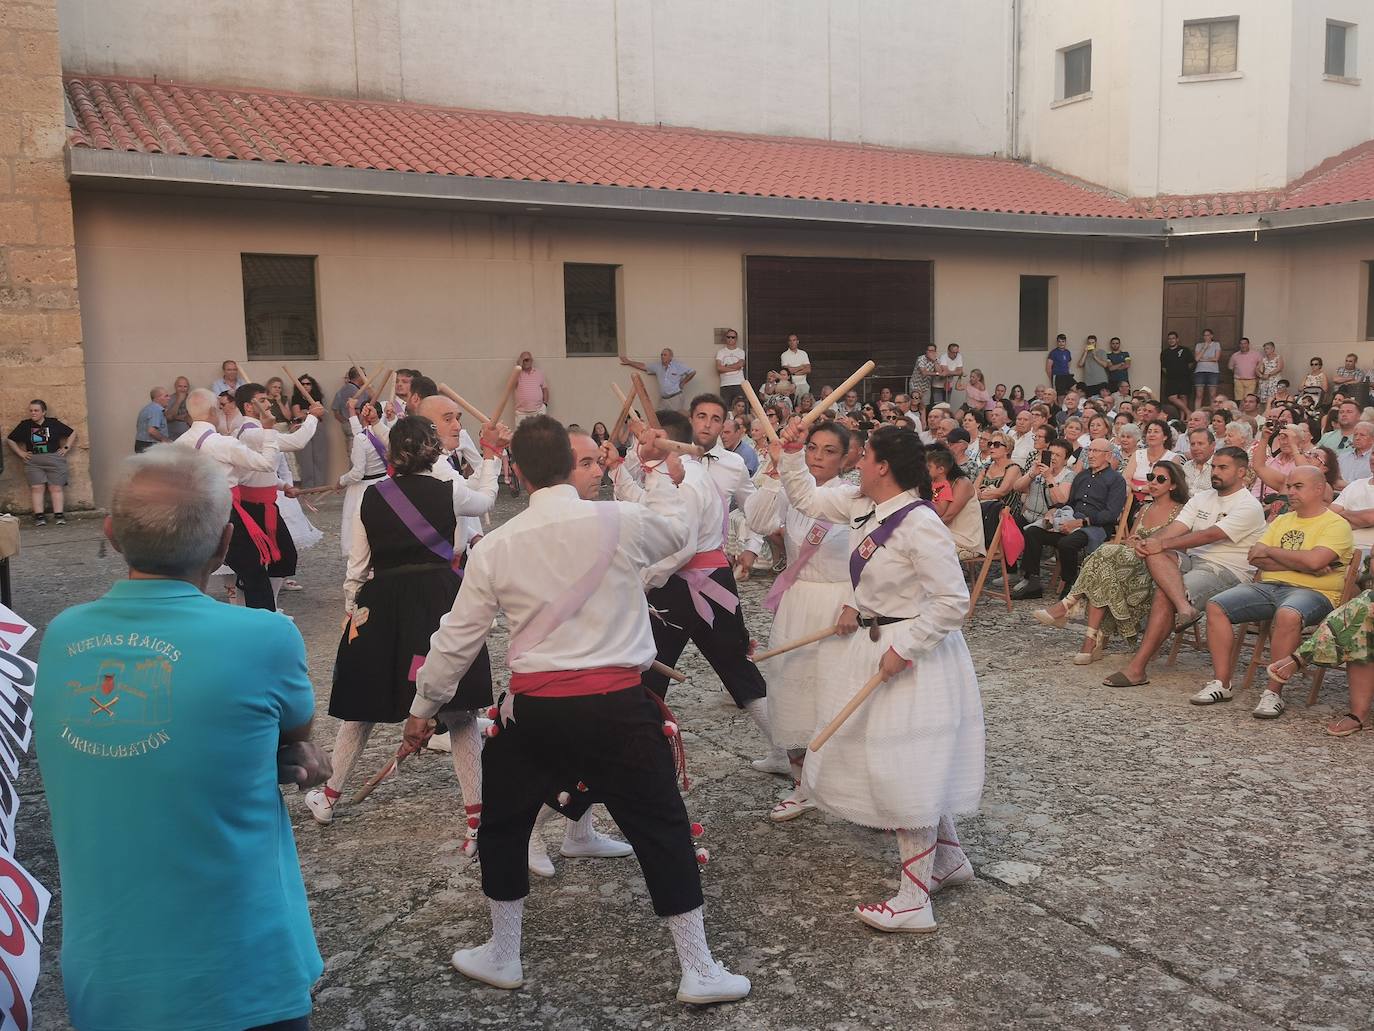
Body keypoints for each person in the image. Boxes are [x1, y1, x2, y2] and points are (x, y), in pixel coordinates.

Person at [401, 415, 750, 1004]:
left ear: (515, 470)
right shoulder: (620, 519)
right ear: (569, 464)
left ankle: (504, 954)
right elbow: (681, 528)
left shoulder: (498, 546)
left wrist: (422, 706)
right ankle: (699, 967)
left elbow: (456, 638)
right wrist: (657, 468)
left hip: (535, 709)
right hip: (619, 704)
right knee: (661, 827)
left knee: (503, 824)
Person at [34, 447, 329, 1031]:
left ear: (112, 533)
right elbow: (295, 734)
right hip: (244, 974)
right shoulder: (266, 638)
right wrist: (288, 756)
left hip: (108, 979)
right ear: (223, 545)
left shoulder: (64, 636)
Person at [774, 419, 981, 933]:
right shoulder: (861, 505)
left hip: (916, 657)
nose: (856, 462)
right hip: (877, 646)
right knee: (906, 764)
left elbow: (953, 601)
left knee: (903, 769)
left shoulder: (920, 523)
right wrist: (792, 451)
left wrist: (906, 649)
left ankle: (914, 901)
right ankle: (949, 860)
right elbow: (804, 496)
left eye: (864, 456)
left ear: (883, 467)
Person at [305, 415, 508, 852]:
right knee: (459, 712)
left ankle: (329, 797)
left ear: (393, 453)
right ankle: (477, 817)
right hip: (440, 599)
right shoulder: (449, 491)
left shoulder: (371, 498)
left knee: (362, 708)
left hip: (382, 603)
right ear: (433, 450)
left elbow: (358, 566)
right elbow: (486, 498)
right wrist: (490, 459)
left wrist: (351, 610)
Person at [617, 407, 777, 771]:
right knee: (732, 667)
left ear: (664, 441)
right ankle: (784, 751)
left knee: (649, 671)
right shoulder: (680, 471)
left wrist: (642, 582)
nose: (639, 445)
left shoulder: (684, 480)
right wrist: (617, 471)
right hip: (703, 581)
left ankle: (644, 763)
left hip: (687, 584)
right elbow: (645, 506)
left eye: (645, 439)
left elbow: (681, 547)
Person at [743, 422, 859, 821]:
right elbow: (757, 521)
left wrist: (856, 604)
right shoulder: (793, 488)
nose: (818, 457)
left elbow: (869, 559)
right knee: (791, 691)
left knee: (837, 695)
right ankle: (801, 785)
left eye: (830, 451)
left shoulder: (849, 497)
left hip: (838, 600)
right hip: (797, 600)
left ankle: (845, 786)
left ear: (846, 458)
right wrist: (776, 473)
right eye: (812, 448)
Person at [1191, 466, 1354, 717]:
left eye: (1297, 486)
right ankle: (1222, 683)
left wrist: (1278, 554)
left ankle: (1273, 693)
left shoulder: (1336, 524)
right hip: (1269, 586)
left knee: (1288, 614)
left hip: (1314, 592)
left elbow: (1314, 561)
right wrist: (1303, 563)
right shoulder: (1282, 520)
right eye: (1289, 486)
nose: (1290, 492)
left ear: (1319, 489)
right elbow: (1255, 556)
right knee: (1216, 605)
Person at [1099, 447, 1267, 688]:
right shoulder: (1202, 498)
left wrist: (1160, 543)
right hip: (1192, 562)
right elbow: (1176, 529)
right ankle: (1184, 608)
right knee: (1157, 553)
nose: (1215, 472)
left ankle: (1137, 668)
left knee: (1163, 593)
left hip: (1225, 570)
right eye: (1214, 467)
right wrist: (1150, 543)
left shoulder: (1248, 505)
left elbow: (1209, 535)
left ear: (1242, 472)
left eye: (1223, 468)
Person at [1032, 461, 1188, 663]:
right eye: (1151, 477)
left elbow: (1180, 549)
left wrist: (1146, 546)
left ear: (1173, 485)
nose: (1154, 482)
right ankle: (1088, 641)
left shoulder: (1181, 512)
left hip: (1155, 571)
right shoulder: (1144, 509)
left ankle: (1069, 607)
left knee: (1106, 553)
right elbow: (1131, 539)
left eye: (1161, 479)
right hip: (1129, 563)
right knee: (1105, 571)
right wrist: (1133, 542)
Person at [225, 383, 323, 611]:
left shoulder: (256, 431)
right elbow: (297, 442)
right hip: (250, 508)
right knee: (257, 565)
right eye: (263, 399)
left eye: (268, 399)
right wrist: (313, 416)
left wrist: (281, 485)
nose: (269, 403)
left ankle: (269, 605)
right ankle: (258, 608)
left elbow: (257, 470)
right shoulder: (252, 433)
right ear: (249, 407)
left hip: (264, 504)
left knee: (282, 559)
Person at [1011, 440, 1126, 600]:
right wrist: (1053, 512)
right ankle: (1033, 582)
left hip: (1095, 527)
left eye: (1095, 451)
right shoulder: (1082, 475)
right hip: (1071, 520)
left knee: (1067, 543)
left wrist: (1080, 523)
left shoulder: (1116, 480)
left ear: (1107, 455)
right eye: (1089, 450)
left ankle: (1071, 584)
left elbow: (1110, 514)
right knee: (1033, 531)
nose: (1090, 455)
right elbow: (1069, 503)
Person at [7, 398, 76, 526]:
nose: (33, 413)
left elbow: (72, 433)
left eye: (36, 410)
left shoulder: (53, 423)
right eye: (31, 410)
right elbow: (10, 439)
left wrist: (66, 447)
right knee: (37, 488)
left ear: (43, 412)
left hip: (54, 460)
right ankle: (39, 516)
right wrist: (20, 452)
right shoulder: (25, 425)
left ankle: (59, 515)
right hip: (34, 462)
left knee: (55, 487)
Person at [337, 397, 390, 557]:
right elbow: (357, 431)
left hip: (362, 488)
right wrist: (352, 410)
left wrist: (341, 481)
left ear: (364, 415)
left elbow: (357, 473)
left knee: (358, 526)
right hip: (384, 484)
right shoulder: (385, 433)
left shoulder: (361, 439)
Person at [928, 444, 986, 558]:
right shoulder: (936, 482)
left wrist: (926, 529)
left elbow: (948, 516)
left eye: (928, 465)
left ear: (941, 468)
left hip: (965, 538)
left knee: (921, 546)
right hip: (947, 532)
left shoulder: (962, 483)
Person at [621, 348, 696, 413]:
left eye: (665, 355)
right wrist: (629, 362)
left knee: (676, 419)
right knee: (659, 417)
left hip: (675, 398)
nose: (662, 356)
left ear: (671, 357)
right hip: (664, 399)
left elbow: (692, 372)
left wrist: (683, 382)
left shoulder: (678, 366)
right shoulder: (657, 366)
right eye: (662, 355)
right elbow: (643, 366)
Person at [291, 373, 329, 488]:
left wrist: (306, 412)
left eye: (308, 384)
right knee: (306, 458)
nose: (305, 386)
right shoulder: (296, 398)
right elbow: (297, 414)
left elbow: (320, 413)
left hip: (318, 426)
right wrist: (311, 412)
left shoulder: (316, 397)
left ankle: (319, 485)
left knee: (319, 456)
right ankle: (308, 486)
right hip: (303, 427)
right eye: (303, 384)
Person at [1161, 331, 1195, 414]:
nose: (1171, 340)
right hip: (1171, 379)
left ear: (1177, 339)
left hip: (1184, 377)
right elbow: (1163, 367)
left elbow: (1191, 363)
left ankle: (1183, 418)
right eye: (1169, 339)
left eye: (1173, 338)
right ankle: (1188, 412)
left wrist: (1184, 371)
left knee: (1183, 397)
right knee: (1172, 397)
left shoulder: (1185, 350)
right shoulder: (1165, 352)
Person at [331, 365, 367, 441]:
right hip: (355, 424)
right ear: (359, 376)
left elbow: (335, 409)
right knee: (357, 447)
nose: (366, 377)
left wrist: (344, 422)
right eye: (364, 375)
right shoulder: (354, 390)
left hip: (347, 424)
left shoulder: (343, 389)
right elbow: (359, 410)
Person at [515, 350, 550, 423]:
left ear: (532, 360)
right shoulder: (517, 373)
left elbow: (545, 389)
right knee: (521, 434)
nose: (525, 362)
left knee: (540, 433)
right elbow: (511, 384)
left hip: (538, 411)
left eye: (527, 360)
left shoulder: (539, 373)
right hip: (522, 413)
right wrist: (518, 366)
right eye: (523, 360)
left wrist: (545, 404)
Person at [715, 329, 747, 407]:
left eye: (733, 337)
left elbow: (740, 364)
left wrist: (726, 367)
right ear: (725, 338)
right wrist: (735, 367)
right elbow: (719, 368)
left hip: (739, 383)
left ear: (736, 339)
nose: (730, 339)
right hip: (725, 384)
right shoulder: (721, 352)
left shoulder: (740, 352)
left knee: (740, 407)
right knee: (725, 408)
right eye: (728, 337)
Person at [1192, 329, 1222, 411]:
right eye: (1204, 335)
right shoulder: (1199, 345)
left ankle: (1213, 414)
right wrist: (1204, 348)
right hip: (1200, 371)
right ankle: (1197, 413)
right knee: (1199, 395)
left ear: (1212, 336)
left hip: (1213, 371)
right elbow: (1197, 358)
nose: (1206, 337)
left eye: (1208, 335)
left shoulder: (1216, 344)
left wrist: (1204, 359)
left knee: (1212, 395)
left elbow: (1216, 358)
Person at [134, 385, 170, 453]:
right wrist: (165, 440)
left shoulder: (148, 408)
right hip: (150, 446)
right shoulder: (156, 410)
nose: (169, 398)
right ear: (157, 398)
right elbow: (152, 431)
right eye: (166, 396)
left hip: (141, 444)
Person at [1182, 428, 1216, 495]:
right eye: (1192, 444)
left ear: (1212, 445)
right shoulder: (1186, 466)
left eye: (1200, 444)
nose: (1195, 448)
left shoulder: (1219, 467)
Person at [1228, 337, 1262, 403]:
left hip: (1251, 380)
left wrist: (1259, 375)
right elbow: (1230, 367)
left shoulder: (1256, 354)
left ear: (1248, 344)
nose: (1243, 345)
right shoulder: (1235, 355)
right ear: (1239, 345)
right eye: (1241, 344)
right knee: (1239, 400)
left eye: (1245, 343)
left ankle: (1247, 413)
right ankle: (1240, 412)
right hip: (1239, 380)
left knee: (1249, 399)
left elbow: (1262, 365)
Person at [779, 333, 811, 398]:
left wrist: (794, 373)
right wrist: (801, 367)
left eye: (794, 340)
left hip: (803, 383)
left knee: (803, 404)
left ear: (797, 341)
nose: (792, 342)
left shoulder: (803, 353)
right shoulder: (784, 355)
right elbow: (787, 371)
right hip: (790, 384)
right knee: (791, 405)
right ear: (788, 342)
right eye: (790, 340)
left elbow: (808, 370)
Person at [1046, 334, 1074, 399]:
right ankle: (1060, 408)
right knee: (1060, 397)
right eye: (1059, 341)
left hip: (1067, 376)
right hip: (1058, 377)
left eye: (1063, 341)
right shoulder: (1053, 353)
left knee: (1077, 389)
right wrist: (1052, 379)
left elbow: (1068, 363)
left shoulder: (1067, 352)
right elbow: (1048, 368)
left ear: (1065, 342)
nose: (1061, 343)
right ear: (1057, 342)